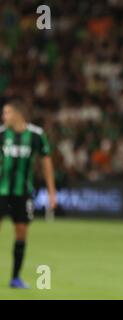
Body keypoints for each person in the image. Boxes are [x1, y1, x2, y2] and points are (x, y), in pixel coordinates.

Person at [0, 99, 57, 288]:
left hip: (23, 193)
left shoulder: (36, 134)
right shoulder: (1, 134)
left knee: (21, 232)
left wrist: (51, 191)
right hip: (1, 191)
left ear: (17, 114)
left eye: (6, 113)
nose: (4, 116)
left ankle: (15, 278)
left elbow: (46, 162)